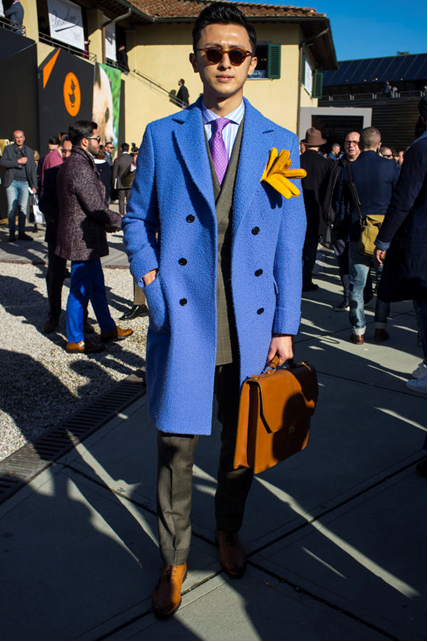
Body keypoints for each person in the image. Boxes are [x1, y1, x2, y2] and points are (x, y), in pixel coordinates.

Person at [122, 1, 306, 619]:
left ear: (252, 63)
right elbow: (135, 218)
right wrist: (150, 279)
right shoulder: (161, 135)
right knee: (175, 447)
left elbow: (289, 240)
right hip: (185, 321)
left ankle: (227, 530)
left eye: (237, 53)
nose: (224, 62)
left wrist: (286, 326)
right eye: (212, 52)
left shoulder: (280, 145)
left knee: (240, 445)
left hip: (251, 326)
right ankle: (173, 560)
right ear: (196, 58)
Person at [56, 120, 133, 354]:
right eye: (97, 138)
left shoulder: (80, 162)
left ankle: (107, 327)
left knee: (97, 285)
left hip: (88, 236)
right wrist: (125, 221)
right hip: (82, 239)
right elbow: (94, 207)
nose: (100, 142)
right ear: (84, 141)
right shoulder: (79, 166)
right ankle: (75, 338)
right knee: (79, 289)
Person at [374, 97, 427, 393]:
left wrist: (384, 239)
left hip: (422, 242)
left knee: (424, 306)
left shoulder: (421, 149)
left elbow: (403, 201)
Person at [334, 127, 399, 344]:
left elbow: (341, 204)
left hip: (357, 232)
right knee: (384, 283)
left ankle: (358, 330)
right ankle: (380, 327)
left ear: (361, 144)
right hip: (383, 235)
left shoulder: (350, 169)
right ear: (379, 145)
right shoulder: (391, 167)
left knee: (357, 284)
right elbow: (398, 203)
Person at [300, 127, 337, 292]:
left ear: (306, 144)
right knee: (310, 248)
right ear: (320, 145)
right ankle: (306, 279)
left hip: (297, 210)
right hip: (316, 211)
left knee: (295, 248)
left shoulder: (296, 161)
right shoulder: (327, 164)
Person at [0, 129, 37, 242]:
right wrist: (18, 162)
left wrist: (34, 185)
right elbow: (2, 163)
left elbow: (32, 170)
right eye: (17, 137)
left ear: (24, 138)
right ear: (13, 139)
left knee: (22, 208)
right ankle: (12, 233)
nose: (19, 139)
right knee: (12, 208)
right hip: (12, 182)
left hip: (25, 183)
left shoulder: (29, 151)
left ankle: (22, 233)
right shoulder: (8, 149)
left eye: (21, 137)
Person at [112, 142, 133, 216]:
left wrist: (113, 184)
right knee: (129, 200)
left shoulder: (118, 160)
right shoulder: (132, 159)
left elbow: (114, 173)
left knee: (121, 200)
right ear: (128, 149)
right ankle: (129, 214)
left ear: (121, 149)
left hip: (121, 183)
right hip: (130, 182)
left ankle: (121, 215)